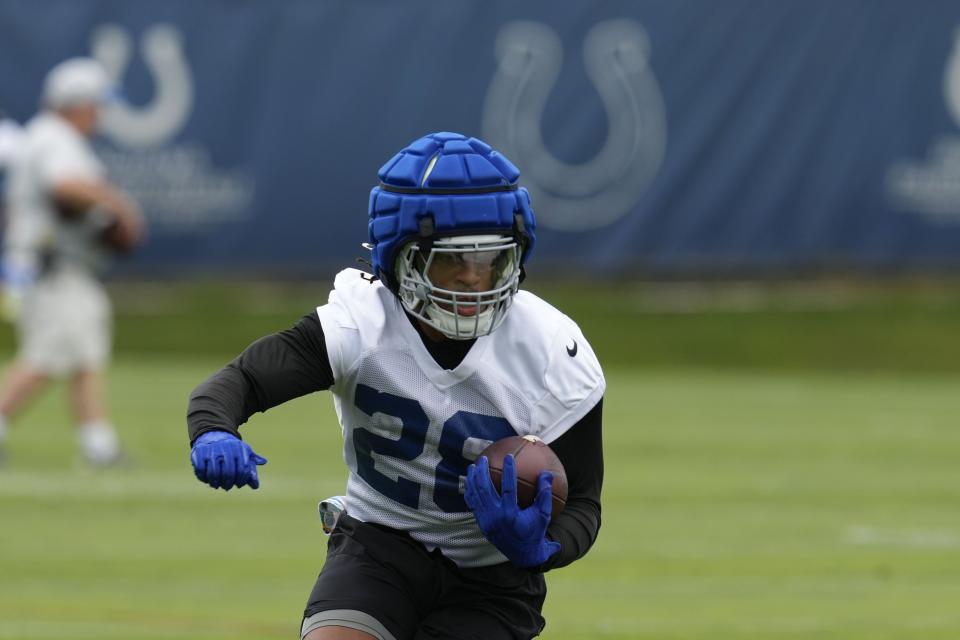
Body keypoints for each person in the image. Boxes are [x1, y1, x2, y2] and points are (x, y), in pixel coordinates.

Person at [187, 132, 605, 640]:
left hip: (493, 580)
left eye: (491, 260)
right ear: (401, 259)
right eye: (453, 260)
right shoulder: (360, 323)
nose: (475, 279)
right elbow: (243, 380)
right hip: (378, 545)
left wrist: (543, 547)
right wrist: (213, 429)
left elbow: (583, 501)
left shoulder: (550, 348)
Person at [0, 58, 145, 465]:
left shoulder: (49, 136)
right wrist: (118, 205)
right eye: (97, 105)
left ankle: (98, 445)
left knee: (84, 352)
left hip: (61, 265)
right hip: (51, 266)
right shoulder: (54, 137)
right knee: (48, 354)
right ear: (77, 103)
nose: (100, 116)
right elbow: (64, 185)